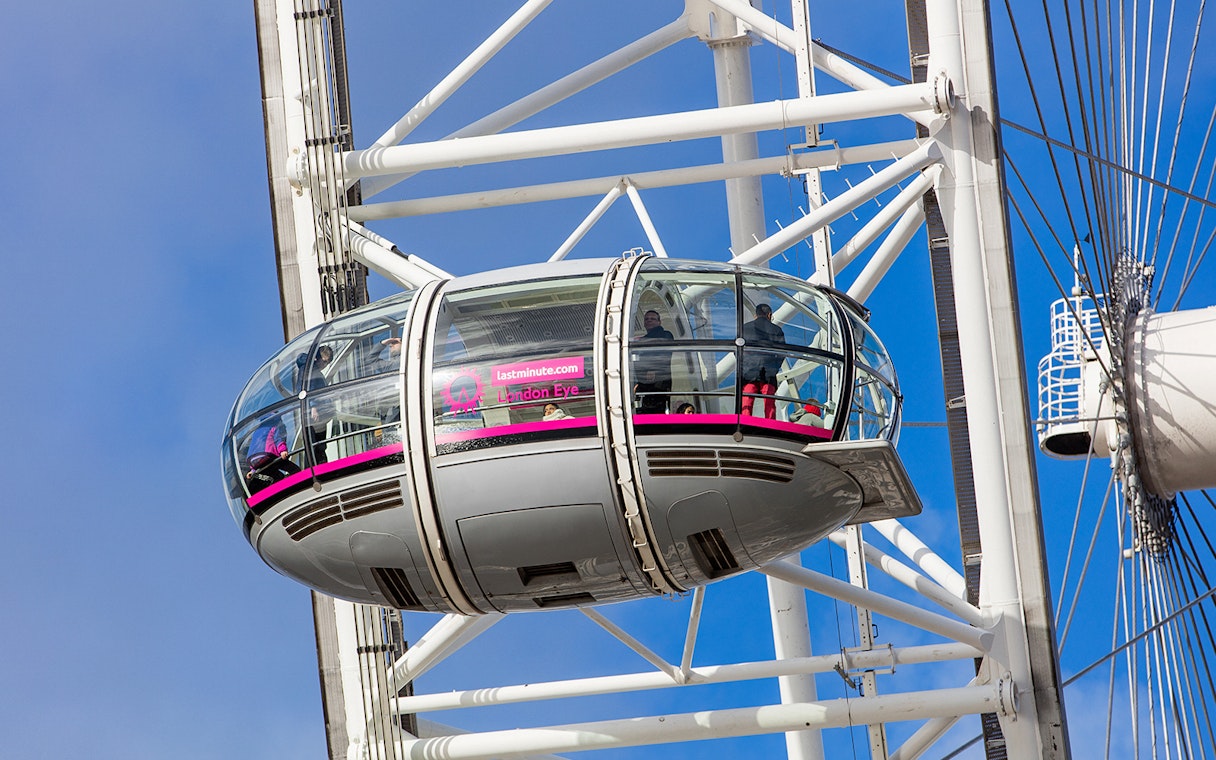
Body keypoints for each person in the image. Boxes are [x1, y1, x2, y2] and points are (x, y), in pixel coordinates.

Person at [740, 303, 785, 418]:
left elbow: (738, 351)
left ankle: (745, 423)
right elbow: (782, 353)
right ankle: (770, 425)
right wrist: (774, 368)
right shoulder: (776, 330)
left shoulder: (744, 328)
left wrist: (745, 365)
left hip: (749, 372)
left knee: (747, 402)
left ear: (756, 315)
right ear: (769, 315)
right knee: (769, 402)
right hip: (768, 372)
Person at [244, 414, 301, 494]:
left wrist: (252, 470)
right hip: (268, 456)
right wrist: (282, 451)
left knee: (277, 476)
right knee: (295, 470)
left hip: (255, 461)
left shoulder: (258, 429)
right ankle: (299, 485)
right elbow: (279, 438)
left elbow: (254, 448)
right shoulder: (276, 424)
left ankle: (279, 491)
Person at [298, 345, 333, 464]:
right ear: (317, 357)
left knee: (320, 446)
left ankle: (322, 467)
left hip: (320, 413)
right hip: (312, 413)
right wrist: (313, 407)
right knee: (313, 446)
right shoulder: (308, 368)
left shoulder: (314, 370)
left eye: (327, 363)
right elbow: (307, 387)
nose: (324, 365)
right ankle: (314, 470)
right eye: (323, 361)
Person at [633, 310, 674, 413]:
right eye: (646, 319)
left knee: (657, 409)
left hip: (659, 380)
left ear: (659, 322)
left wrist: (653, 369)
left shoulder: (665, 335)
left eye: (652, 319)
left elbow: (664, 354)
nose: (649, 321)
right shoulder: (642, 340)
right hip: (645, 382)